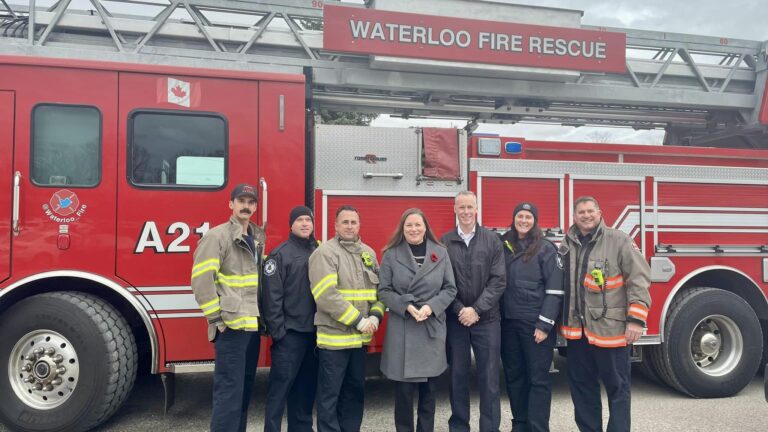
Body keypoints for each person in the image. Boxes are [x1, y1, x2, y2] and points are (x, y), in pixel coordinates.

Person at [560, 196, 651, 432]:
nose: (586, 215)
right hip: (577, 334)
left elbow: (638, 279)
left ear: (599, 213)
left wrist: (636, 319)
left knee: (618, 389)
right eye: (581, 212)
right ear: (574, 216)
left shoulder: (618, 240)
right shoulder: (567, 243)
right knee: (582, 389)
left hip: (611, 331)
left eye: (591, 211)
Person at [190, 183, 264, 432]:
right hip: (231, 327)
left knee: (243, 391)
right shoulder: (217, 236)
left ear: (256, 206)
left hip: (251, 325)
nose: (246, 206)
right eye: (241, 201)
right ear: (230, 204)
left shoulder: (255, 236)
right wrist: (216, 319)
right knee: (229, 393)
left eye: (251, 202)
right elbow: (201, 279)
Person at [378, 208, 458, 432]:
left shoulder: (440, 253)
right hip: (403, 328)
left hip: (430, 328)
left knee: (429, 392)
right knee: (403, 394)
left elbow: (450, 289)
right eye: (409, 225)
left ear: (425, 228)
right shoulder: (391, 254)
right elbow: (383, 291)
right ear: (402, 229)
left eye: (417, 225)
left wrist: (431, 307)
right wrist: (407, 307)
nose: (413, 229)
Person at [309, 205, 386, 432]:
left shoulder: (368, 254)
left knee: (354, 392)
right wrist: (358, 321)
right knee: (329, 395)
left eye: (353, 222)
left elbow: (380, 293)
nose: (350, 226)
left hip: (359, 342)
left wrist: (375, 316)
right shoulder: (325, 253)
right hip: (334, 340)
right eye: (345, 222)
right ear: (335, 225)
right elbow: (326, 295)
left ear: (359, 225)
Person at [440, 191, 506, 432]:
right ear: (454, 209)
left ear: (477, 209)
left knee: (489, 379)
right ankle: (459, 426)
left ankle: (490, 428)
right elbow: (441, 282)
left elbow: (498, 281)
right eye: (462, 207)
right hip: (456, 320)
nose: (466, 212)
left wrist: (476, 310)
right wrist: (460, 310)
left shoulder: (491, 240)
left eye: (470, 207)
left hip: (487, 319)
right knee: (457, 377)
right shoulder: (444, 241)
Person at [499, 202, 564, 432]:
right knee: (514, 377)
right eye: (520, 216)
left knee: (538, 380)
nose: (523, 220)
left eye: (528, 217)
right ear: (514, 219)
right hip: (508, 323)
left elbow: (555, 290)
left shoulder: (546, 248)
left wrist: (545, 325)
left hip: (535, 325)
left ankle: (537, 427)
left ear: (535, 220)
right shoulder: (504, 244)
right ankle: (520, 424)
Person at [262, 206, 319, 432]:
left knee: (305, 390)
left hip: (313, 336)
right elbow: (271, 298)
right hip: (290, 336)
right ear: (291, 225)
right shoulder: (279, 255)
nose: (305, 224)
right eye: (300, 220)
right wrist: (279, 334)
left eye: (308, 220)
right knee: (279, 390)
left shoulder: (318, 251)